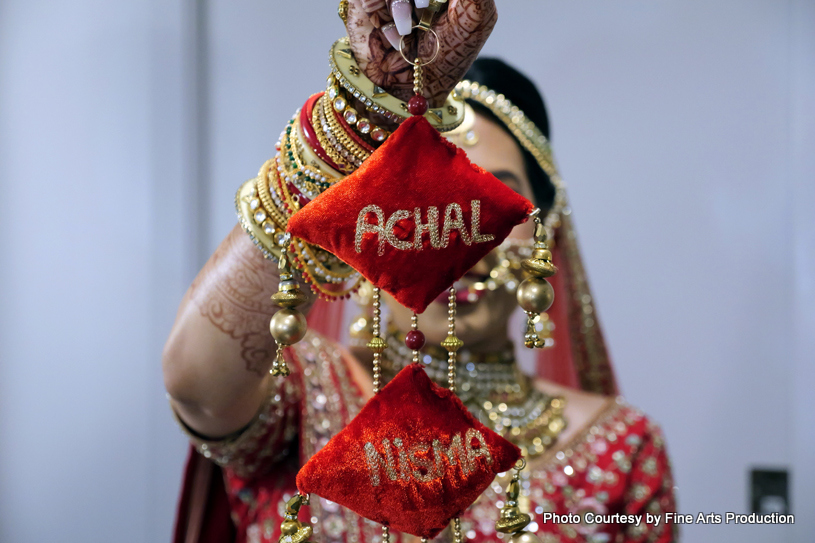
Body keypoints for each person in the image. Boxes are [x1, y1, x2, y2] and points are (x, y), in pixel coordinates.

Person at [163, 2, 677, 542]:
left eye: (493, 197)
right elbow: (196, 384)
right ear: (365, 222)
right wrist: (357, 113)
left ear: (545, 226)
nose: (454, 232)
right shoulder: (302, 393)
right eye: (415, 199)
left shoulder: (620, 447)